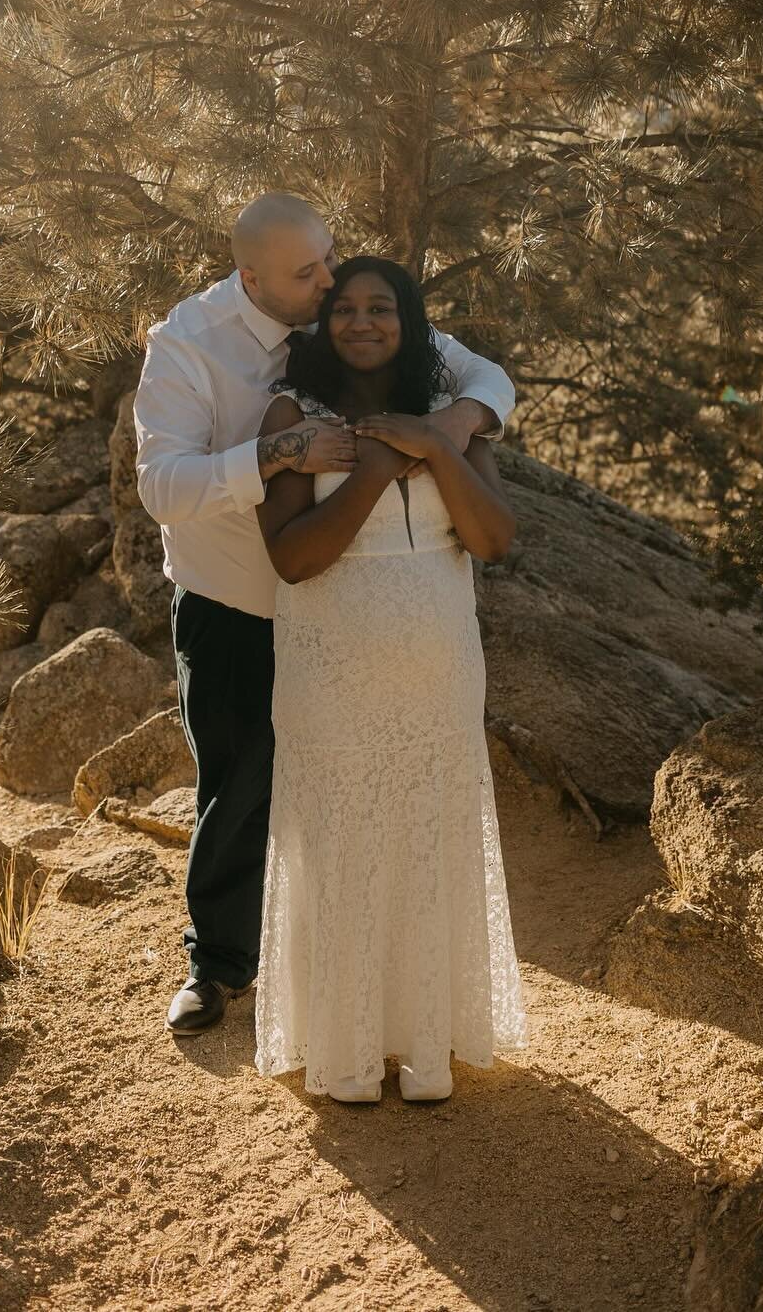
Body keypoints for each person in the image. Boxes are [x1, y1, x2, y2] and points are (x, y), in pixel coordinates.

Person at [132, 193, 515, 1036]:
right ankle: (218, 966)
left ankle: (361, 975)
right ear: (252, 279)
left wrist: (447, 427)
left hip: (348, 609)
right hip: (237, 599)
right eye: (310, 273)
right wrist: (275, 452)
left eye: (330, 259)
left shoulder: (343, 314)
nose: (331, 281)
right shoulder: (188, 344)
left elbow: (486, 377)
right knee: (237, 782)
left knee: (354, 794)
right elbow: (160, 486)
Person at [251, 254, 529, 1103]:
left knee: (424, 838)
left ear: (409, 325)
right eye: (343, 308)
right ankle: (347, 1053)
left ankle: (427, 1046)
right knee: (342, 845)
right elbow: (293, 557)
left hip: (438, 676)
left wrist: (432, 445)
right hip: (332, 680)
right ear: (320, 324)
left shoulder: (453, 421)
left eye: (382, 308)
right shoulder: (294, 417)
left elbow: (493, 539)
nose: (362, 322)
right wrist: (375, 464)